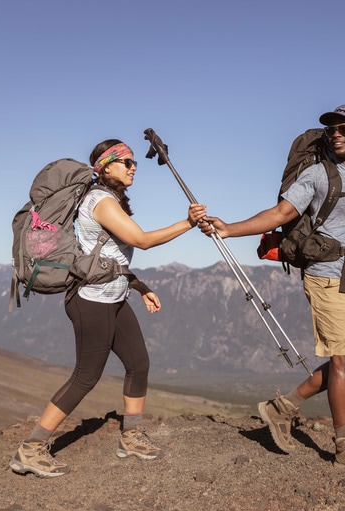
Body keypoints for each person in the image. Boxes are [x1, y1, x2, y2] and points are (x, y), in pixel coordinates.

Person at [200, 105, 345, 473]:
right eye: (331, 129)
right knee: (342, 360)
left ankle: (282, 409)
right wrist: (229, 228)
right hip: (325, 276)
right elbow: (281, 214)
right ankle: (344, 447)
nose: (337, 134)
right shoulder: (316, 175)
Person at [10, 139, 207, 478]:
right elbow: (141, 240)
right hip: (91, 301)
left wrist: (139, 286)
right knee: (86, 376)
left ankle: (131, 437)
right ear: (105, 166)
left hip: (113, 297)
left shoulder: (110, 200)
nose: (133, 167)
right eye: (126, 162)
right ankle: (31, 448)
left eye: (134, 163)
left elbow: (109, 258)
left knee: (138, 363)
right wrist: (188, 223)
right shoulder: (100, 200)